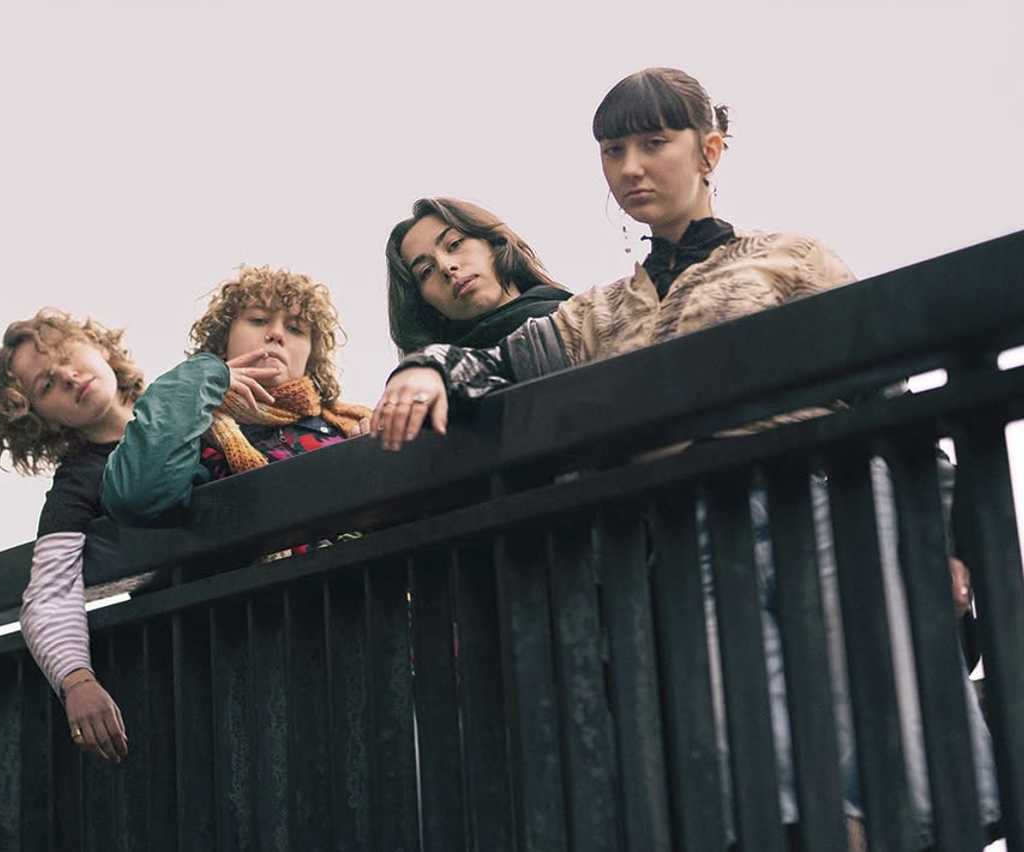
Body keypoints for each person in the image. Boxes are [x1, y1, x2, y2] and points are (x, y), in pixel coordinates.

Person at [373, 67, 999, 847]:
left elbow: (891, 401)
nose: (631, 167)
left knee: (884, 720)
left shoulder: (792, 257)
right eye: (613, 151)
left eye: (653, 143)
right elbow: (496, 364)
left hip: (828, 502)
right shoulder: (597, 313)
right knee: (759, 754)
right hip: (700, 531)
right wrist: (423, 368)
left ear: (710, 150)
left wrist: (949, 541)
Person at [0, 266, 371, 763]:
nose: (69, 376)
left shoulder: (210, 409)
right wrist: (76, 680)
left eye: (67, 356)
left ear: (99, 348)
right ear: (38, 419)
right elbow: (49, 590)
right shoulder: (82, 480)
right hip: (223, 648)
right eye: (46, 384)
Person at [385, 197, 569, 352]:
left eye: (455, 244)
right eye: (426, 271)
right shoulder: (435, 374)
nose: (446, 267)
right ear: (423, 303)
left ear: (494, 242)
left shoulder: (578, 320)